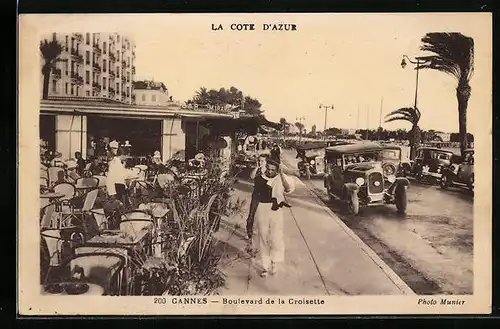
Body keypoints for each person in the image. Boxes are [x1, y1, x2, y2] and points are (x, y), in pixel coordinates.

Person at [254, 156, 295, 277]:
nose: (270, 171)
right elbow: (256, 188)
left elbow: (288, 189)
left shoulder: (282, 178)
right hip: (263, 208)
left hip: (276, 210)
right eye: (269, 169)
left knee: (276, 237)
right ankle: (265, 266)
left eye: (273, 169)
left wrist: (281, 174)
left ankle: (274, 262)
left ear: (277, 169)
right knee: (263, 236)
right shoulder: (261, 177)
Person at [246, 153, 269, 240]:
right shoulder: (257, 170)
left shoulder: (269, 171)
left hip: (266, 195)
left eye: (262, 161)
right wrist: (256, 167)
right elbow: (251, 177)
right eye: (259, 160)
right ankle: (249, 232)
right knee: (251, 213)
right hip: (256, 194)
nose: (260, 162)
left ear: (266, 162)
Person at [106, 140, 135, 207]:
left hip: (120, 182)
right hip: (115, 182)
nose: (114, 150)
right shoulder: (113, 159)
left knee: (122, 201)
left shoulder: (117, 160)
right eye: (113, 148)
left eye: (115, 148)